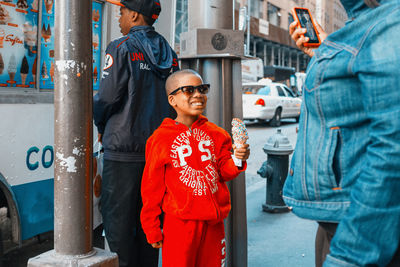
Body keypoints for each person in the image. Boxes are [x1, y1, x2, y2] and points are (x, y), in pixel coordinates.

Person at [283, 0, 400, 266]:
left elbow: (394, 151)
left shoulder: (389, 22)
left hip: (361, 231)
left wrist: (350, 256)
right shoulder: (364, 24)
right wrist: (326, 52)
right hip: (338, 219)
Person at [93, 0, 179, 266]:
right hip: (158, 155)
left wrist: (101, 125)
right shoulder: (170, 53)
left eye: (120, 12)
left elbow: (106, 98)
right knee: (150, 227)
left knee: (119, 230)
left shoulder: (120, 48)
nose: (119, 18)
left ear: (133, 14)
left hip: (122, 154)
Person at [140, 69, 250, 267]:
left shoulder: (218, 134)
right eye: (189, 90)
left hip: (213, 223)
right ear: (172, 100)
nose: (198, 94)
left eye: (202, 89)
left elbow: (224, 171)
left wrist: (238, 160)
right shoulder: (160, 139)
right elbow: (151, 189)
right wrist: (152, 227)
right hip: (179, 225)